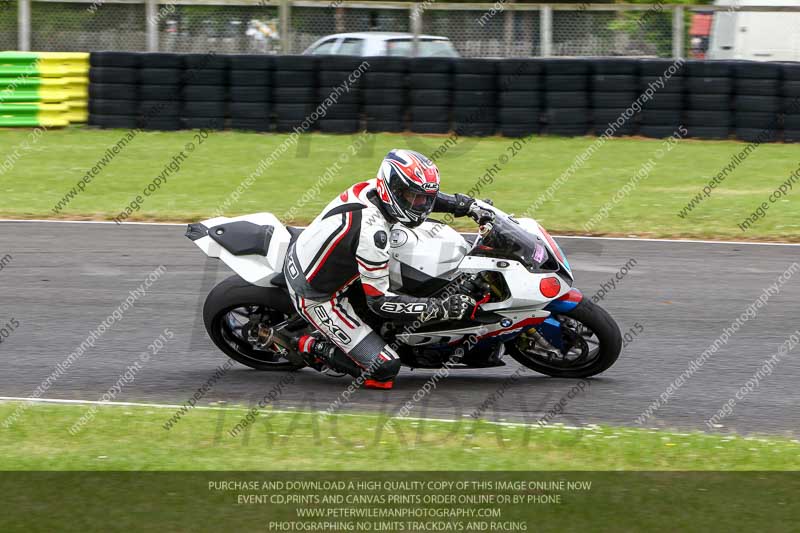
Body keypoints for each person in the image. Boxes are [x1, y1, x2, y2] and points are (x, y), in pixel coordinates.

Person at [284, 149, 479, 389]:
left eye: (425, 198)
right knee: (385, 370)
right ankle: (306, 344)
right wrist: (439, 308)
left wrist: (465, 205)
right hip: (318, 295)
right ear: (394, 190)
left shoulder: (373, 188)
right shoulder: (372, 234)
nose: (422, 206)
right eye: (413, 197)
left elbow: (424, 197)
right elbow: (379, 302)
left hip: (330, 260)